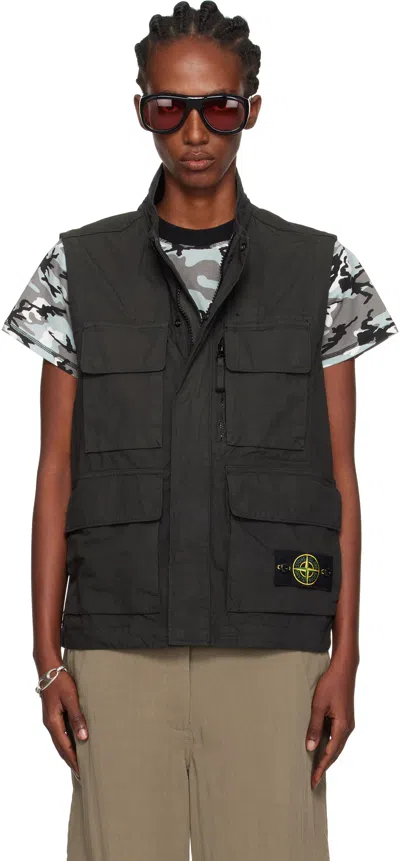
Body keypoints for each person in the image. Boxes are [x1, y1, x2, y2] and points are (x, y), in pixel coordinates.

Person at [2, 3, 398, 860]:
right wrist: (46, 657)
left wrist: (348, 656)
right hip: (114, 645)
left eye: (218, 106)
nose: (194, 132)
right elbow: (53, 470)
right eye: (169, 107)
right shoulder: (75, 270)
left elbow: (342, 474)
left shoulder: (322, 271)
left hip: (274, 643)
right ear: (140, 108)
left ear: (252, 107)